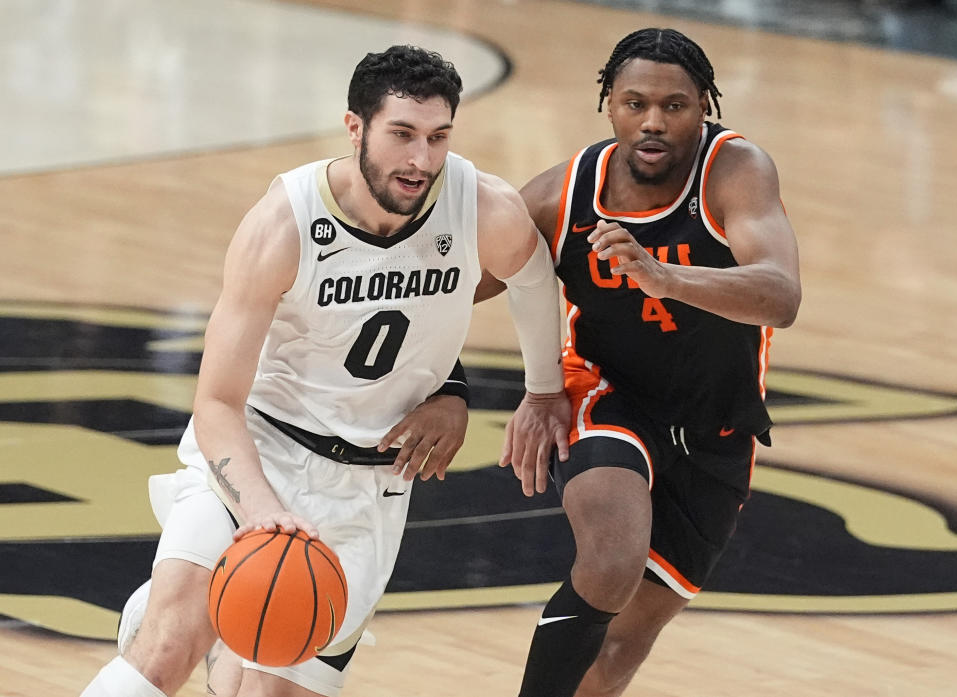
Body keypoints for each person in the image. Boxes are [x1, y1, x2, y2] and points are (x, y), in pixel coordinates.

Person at [80, 44, 570, 697]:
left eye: (438, 136)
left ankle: (228, 626)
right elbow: (217, 403)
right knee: (165, 648)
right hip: (260, 450)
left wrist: (542, 389)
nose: (421, 159)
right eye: (402, 134)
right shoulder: (283, 223)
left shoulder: (481, 206)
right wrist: (263, 515)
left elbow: (534, 277)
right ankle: (199, 609)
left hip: (368, 487)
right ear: (354, 127)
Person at [483, 27, 802, 697]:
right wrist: (466, 387)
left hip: (717, 429)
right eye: (634, 103)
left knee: (621, 652)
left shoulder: (736, 171)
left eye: (675, 105)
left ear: (705, 105)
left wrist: (667, 277)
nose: (653, 121)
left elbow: (781, 293)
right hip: (608, 396)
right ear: (607, 104)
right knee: (610, 560)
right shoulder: (564, 194)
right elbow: (458, 282)